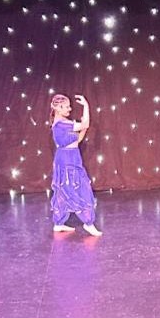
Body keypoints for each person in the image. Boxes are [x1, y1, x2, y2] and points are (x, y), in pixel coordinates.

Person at [49, 93, 102, 236]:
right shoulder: (62, 124)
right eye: (66, 107)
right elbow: (85, 124)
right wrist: (86, 106)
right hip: (67, 160)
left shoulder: (64, 124)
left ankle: (58, 223)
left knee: (64, 190)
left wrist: (83, 129)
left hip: (70, 157)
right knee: (79, 188)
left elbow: (77, 140)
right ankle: (88, 222)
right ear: (59, 108)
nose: (70, 109)